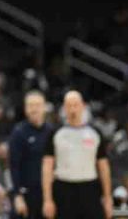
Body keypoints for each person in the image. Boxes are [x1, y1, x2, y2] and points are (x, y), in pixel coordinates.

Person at [42, 91, 112, 219]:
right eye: (69, 105)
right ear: (64, 108)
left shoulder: (95, 133)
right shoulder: (55, 133)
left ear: (83, 106)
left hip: (90, 189)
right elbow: (47, 167)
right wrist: (47, 199)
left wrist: (108, 198)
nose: (72, 109)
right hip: (63, 189)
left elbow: (104, 167)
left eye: (76, 105)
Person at [8, 90, 53, 219]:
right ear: (25, 108)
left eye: (38, 105)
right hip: (26, 194)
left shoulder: (52, 132)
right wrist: (17, 195)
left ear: (44, 107)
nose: (34, 109)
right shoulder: (18, 132)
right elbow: (13, 166)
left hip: (47, 195)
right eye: (30, 105)